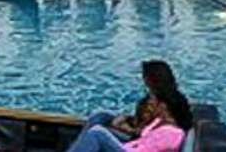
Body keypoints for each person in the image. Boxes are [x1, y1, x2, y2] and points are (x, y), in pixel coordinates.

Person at [64, 60, 192, 152]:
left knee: (97, 133)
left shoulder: (170, 134)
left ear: (163, 107)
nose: (151, 104)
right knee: (99, 118)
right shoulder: (159, 121)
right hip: (132, 144)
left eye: (154, 103)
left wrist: (116, 137)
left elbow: (140, 143)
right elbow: (140, 134)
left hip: (130, 148)